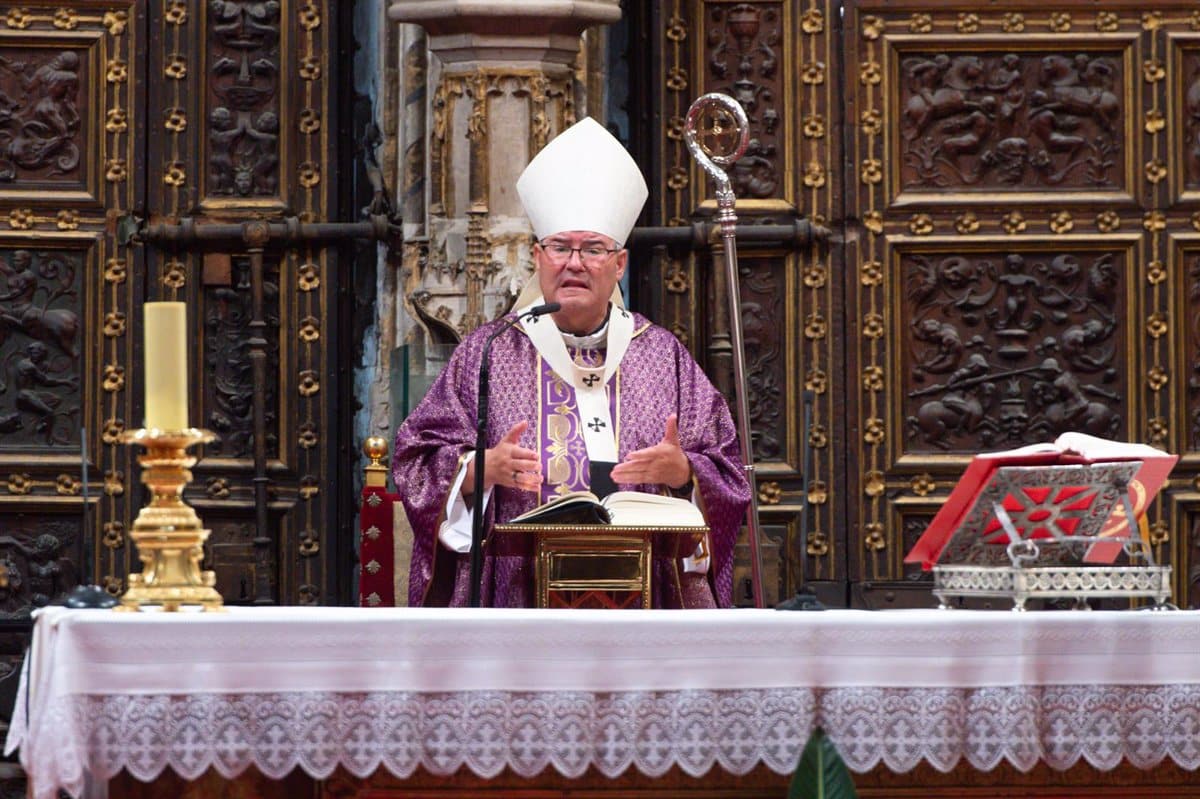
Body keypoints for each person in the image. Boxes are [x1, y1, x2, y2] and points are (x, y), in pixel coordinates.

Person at [392, 118, 750, 608]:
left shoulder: (663, 355)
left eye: (593, 249)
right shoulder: (490, 351)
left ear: (619, 263)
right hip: (517, 594)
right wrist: (479, 469)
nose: (574, 263)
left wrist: (685, 472)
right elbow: (415, 458)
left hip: (648, 600)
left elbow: (729, 472)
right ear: (538, 257)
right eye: (560, 247)